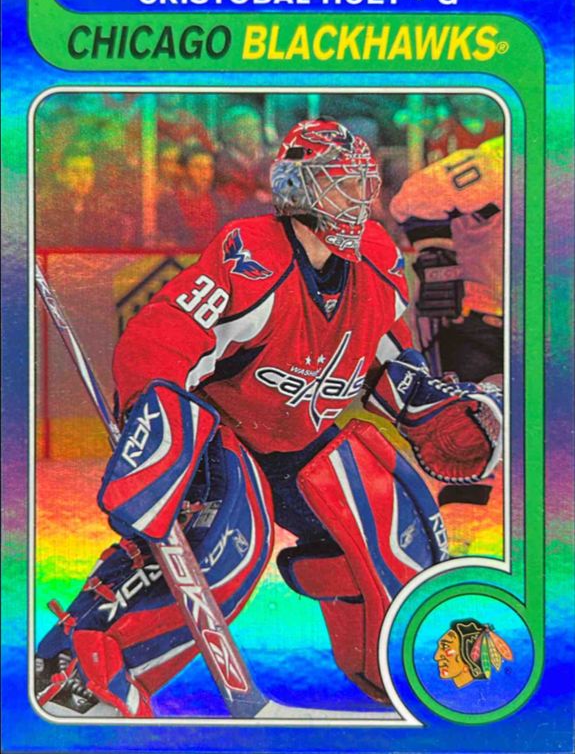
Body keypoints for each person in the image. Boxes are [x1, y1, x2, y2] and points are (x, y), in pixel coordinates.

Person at [35, 119, 502, 718]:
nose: (359, 198)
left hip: (300, 440)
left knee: (396, 523)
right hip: (222, 433)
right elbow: (163, 334)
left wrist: (424, 403)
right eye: (340, 183)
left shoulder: (377, 258)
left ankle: (399, 670)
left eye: (362, 183)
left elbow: (384, 353)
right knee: (230, 547)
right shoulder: (253, 255)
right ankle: (76, 669)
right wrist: (157, 421)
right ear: (299, 190)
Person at [389, 136, 504, 382]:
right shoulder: (503, 159)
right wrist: (438, 256)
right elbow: (417, 195)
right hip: (478, 321)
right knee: (462, 402)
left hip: (546, 324)